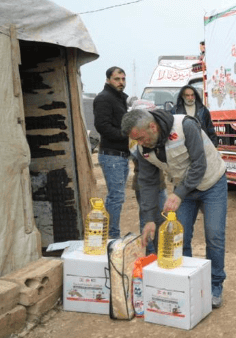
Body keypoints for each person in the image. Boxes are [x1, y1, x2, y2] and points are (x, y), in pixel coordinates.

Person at [122, 108, 228, 308]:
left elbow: (199, 164)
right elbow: (148, 184)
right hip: (184, 189)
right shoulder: (143, 149)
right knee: (180, 236)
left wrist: (179, 194)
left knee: (214, 235)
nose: (140, 143)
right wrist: (149, 219)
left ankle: (215, 284)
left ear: (152, 127)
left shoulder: (184, 126)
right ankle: (187, 282)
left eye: (141, 138)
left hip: (212, 183)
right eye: (136, 140)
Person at [93, 66, 130, 238]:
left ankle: (111, 234)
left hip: (121, 154)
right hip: (111, 155)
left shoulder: (119, 98)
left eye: (123, 79)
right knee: (116, 197)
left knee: (117, 197)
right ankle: (111, 236)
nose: (121, 82)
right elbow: (102, 126)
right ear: (108, 80)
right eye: (117, 79)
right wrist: (126, 136)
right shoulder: (104, 98)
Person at [128, 99, 168, 256]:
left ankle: (155, 254)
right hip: (145, 183)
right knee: (149, 219)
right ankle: (151, 255)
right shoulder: (137, 136)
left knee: (159, 219)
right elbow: (142, 157)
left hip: (158, 182)